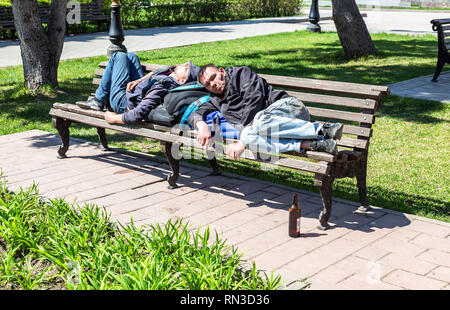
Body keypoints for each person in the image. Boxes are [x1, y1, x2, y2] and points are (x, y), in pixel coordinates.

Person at [191, 64, 344, 159]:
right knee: (248, 136)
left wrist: (242, 139)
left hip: (290, 109)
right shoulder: (215, 99)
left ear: (222, 71)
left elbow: (254, 100)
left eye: (214, 77)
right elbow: (195, 112)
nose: (213, 84)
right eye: (208, 84)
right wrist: (201, 125)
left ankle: (323, 129)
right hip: (272, 129)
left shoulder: (240, 74)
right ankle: (312, 144)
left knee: (254, 126)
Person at [76, 52, 200, 125]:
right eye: (187, 64)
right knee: (131, 56)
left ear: (182, 80)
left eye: (187, 68)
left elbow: (139, 112)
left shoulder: (162, 87)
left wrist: (114, 118)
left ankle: (98, 100)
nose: (185, 64)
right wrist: (139, 81)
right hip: (135, 92)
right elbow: (155, 73)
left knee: (118, 56)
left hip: (123, 104)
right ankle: (101, 98)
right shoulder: (173, 71)